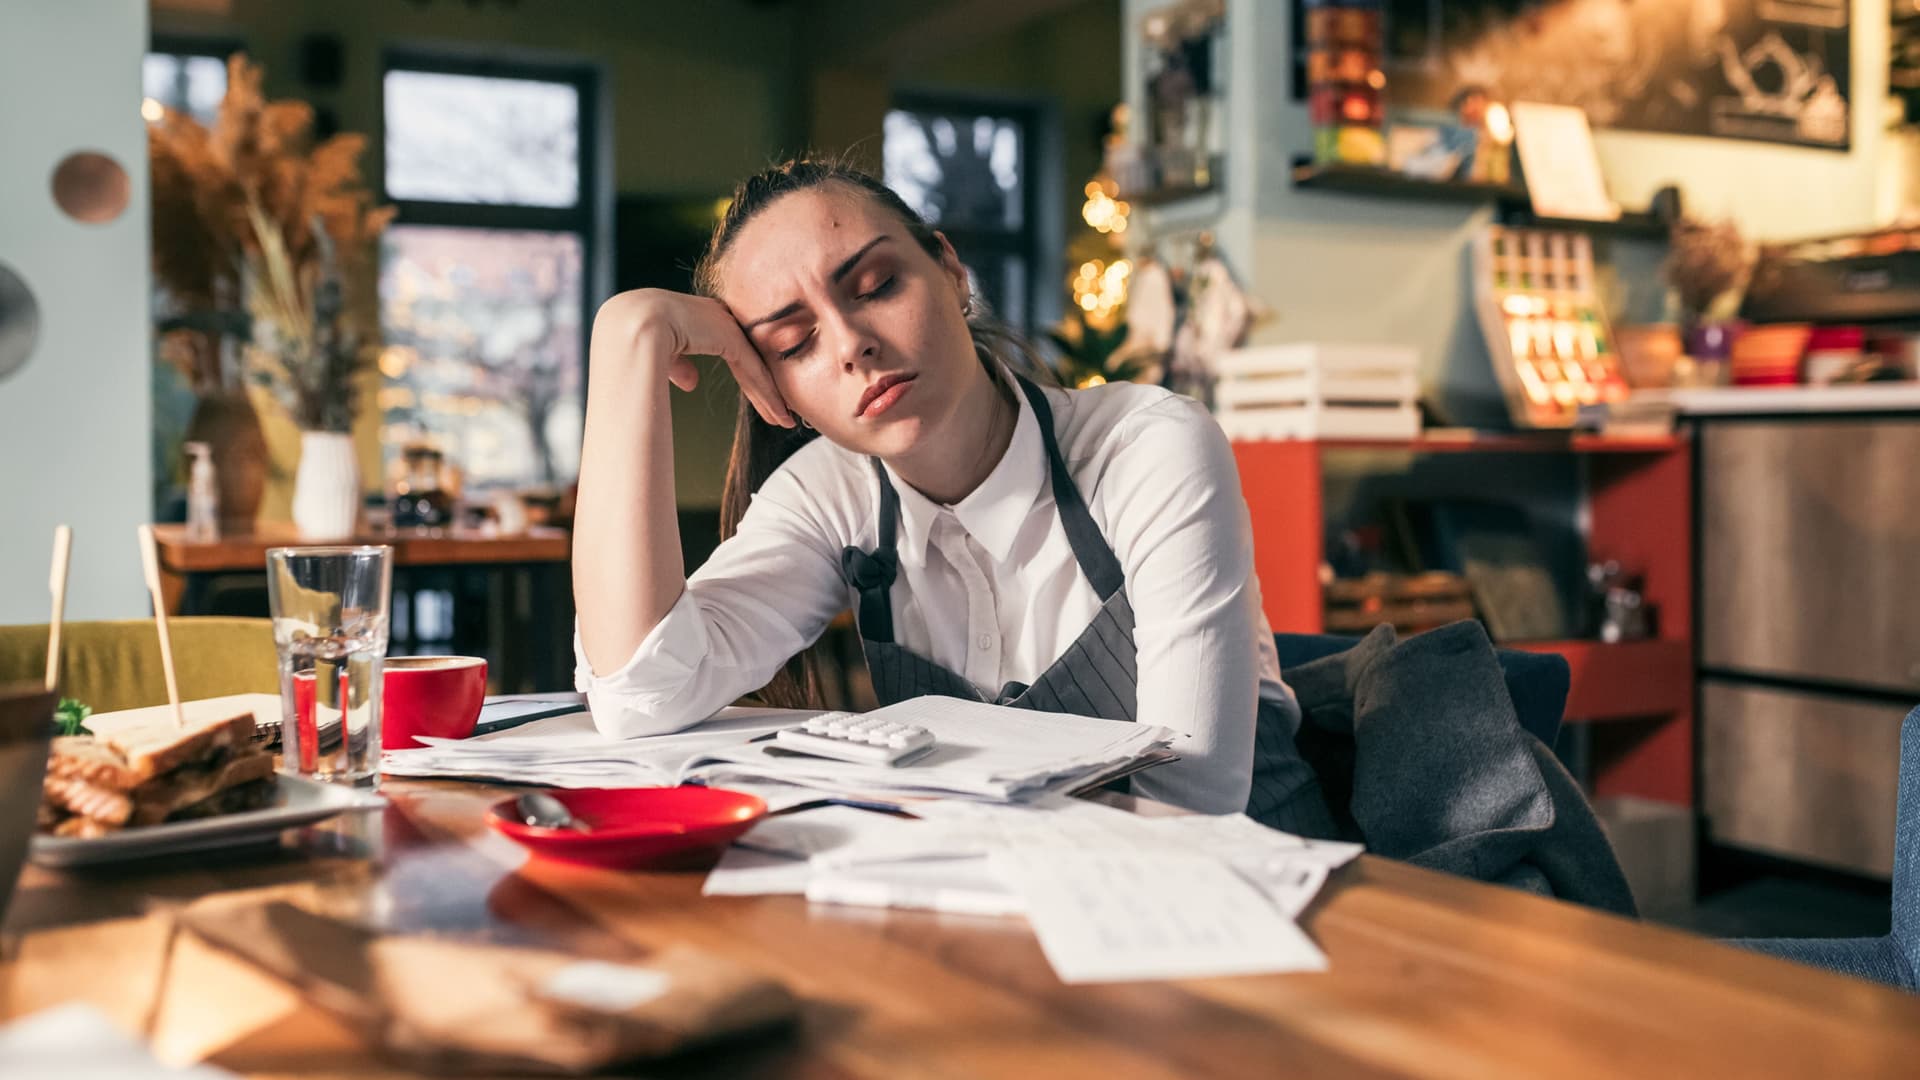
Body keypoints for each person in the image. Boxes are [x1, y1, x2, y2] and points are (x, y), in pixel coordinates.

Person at [571, 156, 1332, 834]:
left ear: (952, 271)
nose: (849, 343)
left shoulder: (1146, 447)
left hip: (1262, 898)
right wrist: (627, 341)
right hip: (1015, 900)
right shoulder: (827, 496)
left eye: (876, 287)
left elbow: (1189, 809)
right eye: (793, 344)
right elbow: (639, 695)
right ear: (775, 389)